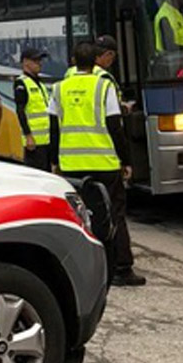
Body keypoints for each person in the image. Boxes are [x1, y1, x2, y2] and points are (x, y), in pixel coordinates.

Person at [50, 41, 146, 287]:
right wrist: (126, 160)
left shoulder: (59, 87)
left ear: (74, 61)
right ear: (94, 62)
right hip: (103, 162)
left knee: (79, 215)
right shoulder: (104, 86)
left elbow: (54, 128)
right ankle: (121, 268)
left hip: (71, 165)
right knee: (114, 214)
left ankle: (80, 269)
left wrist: (53, 162)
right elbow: (115, 125)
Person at [14, 47, 57, 172]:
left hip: (46, 140)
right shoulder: (21, 83)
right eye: (36, 60)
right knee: (37, 173)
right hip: (34, 142)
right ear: (25, 62)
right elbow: (20, 111)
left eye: (40, 60)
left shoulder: (40, 84)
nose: (39, 63)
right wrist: (28, 136)